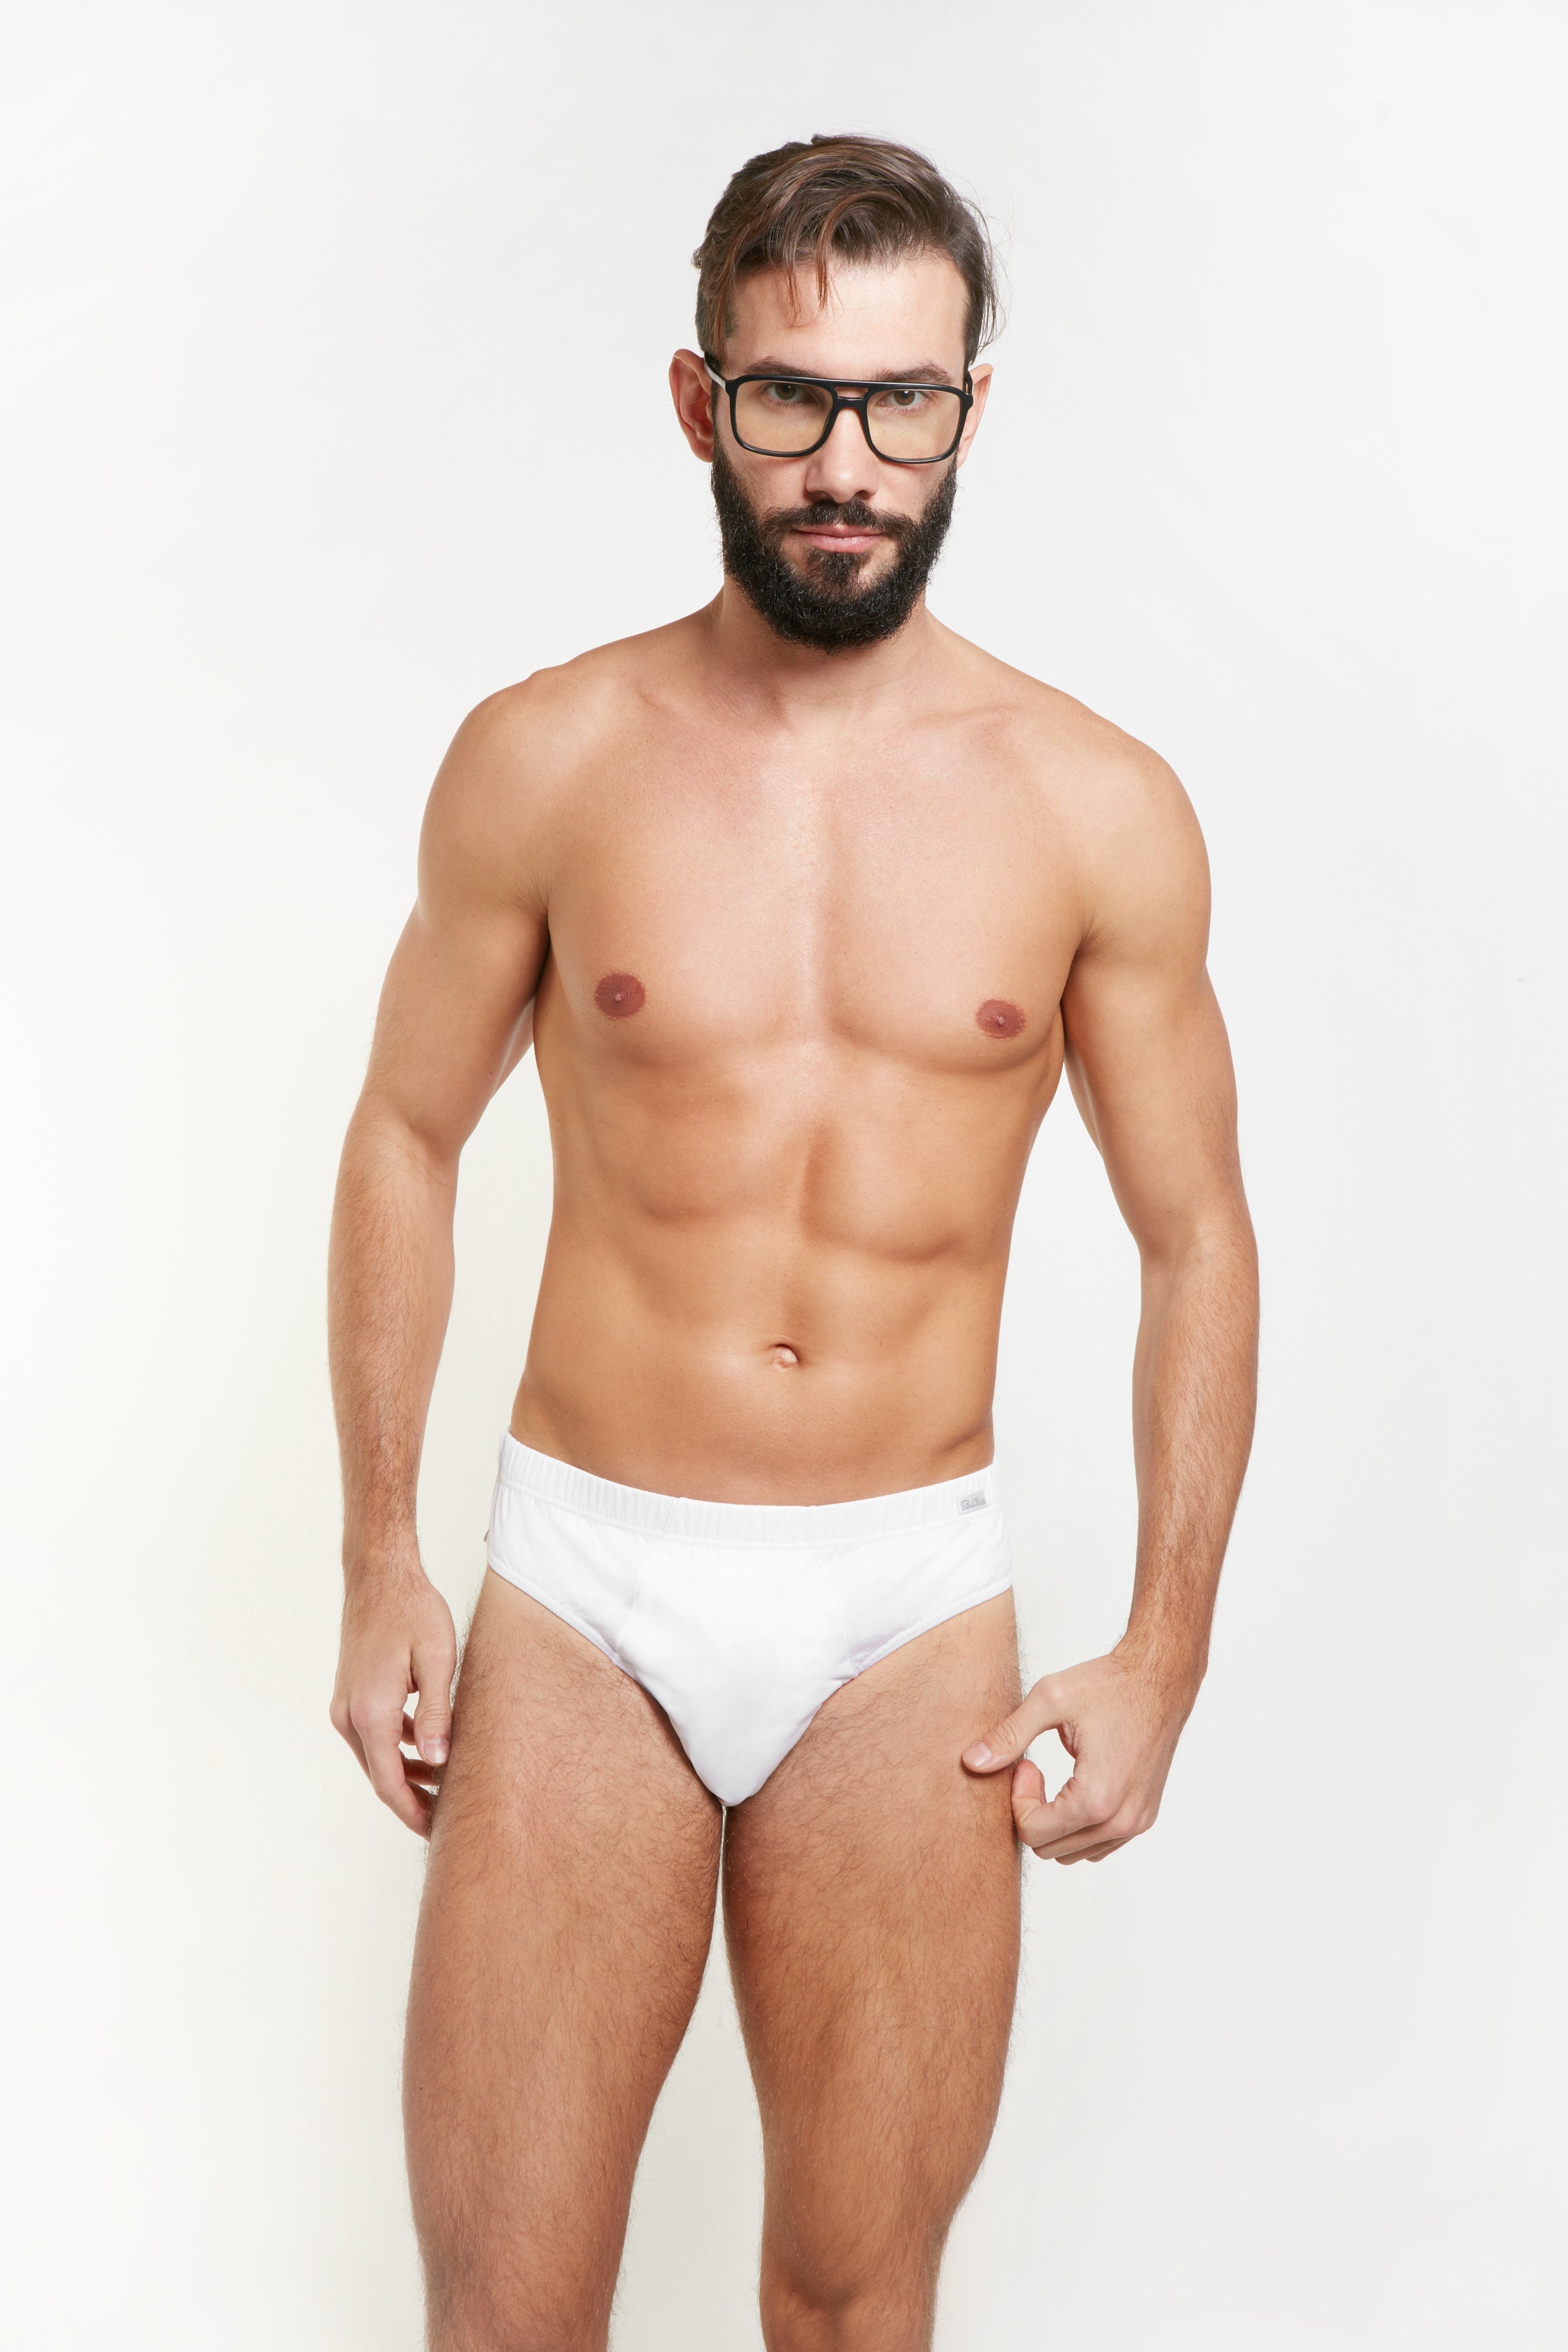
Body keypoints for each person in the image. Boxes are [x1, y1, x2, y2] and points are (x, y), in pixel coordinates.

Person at [328, 131, 1258, 2352]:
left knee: (853, 2302)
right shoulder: (547, 757)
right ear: (698, 400)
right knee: (508, 2307)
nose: (846, 463)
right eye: (790, 397)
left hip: (902, 1610)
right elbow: (404, 1132)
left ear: (968, 411)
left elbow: (1195, 1237)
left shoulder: (1093, 805)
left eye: (901, 401)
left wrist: (1166, 1650)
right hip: (587, 1586)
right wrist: (379, 1557)